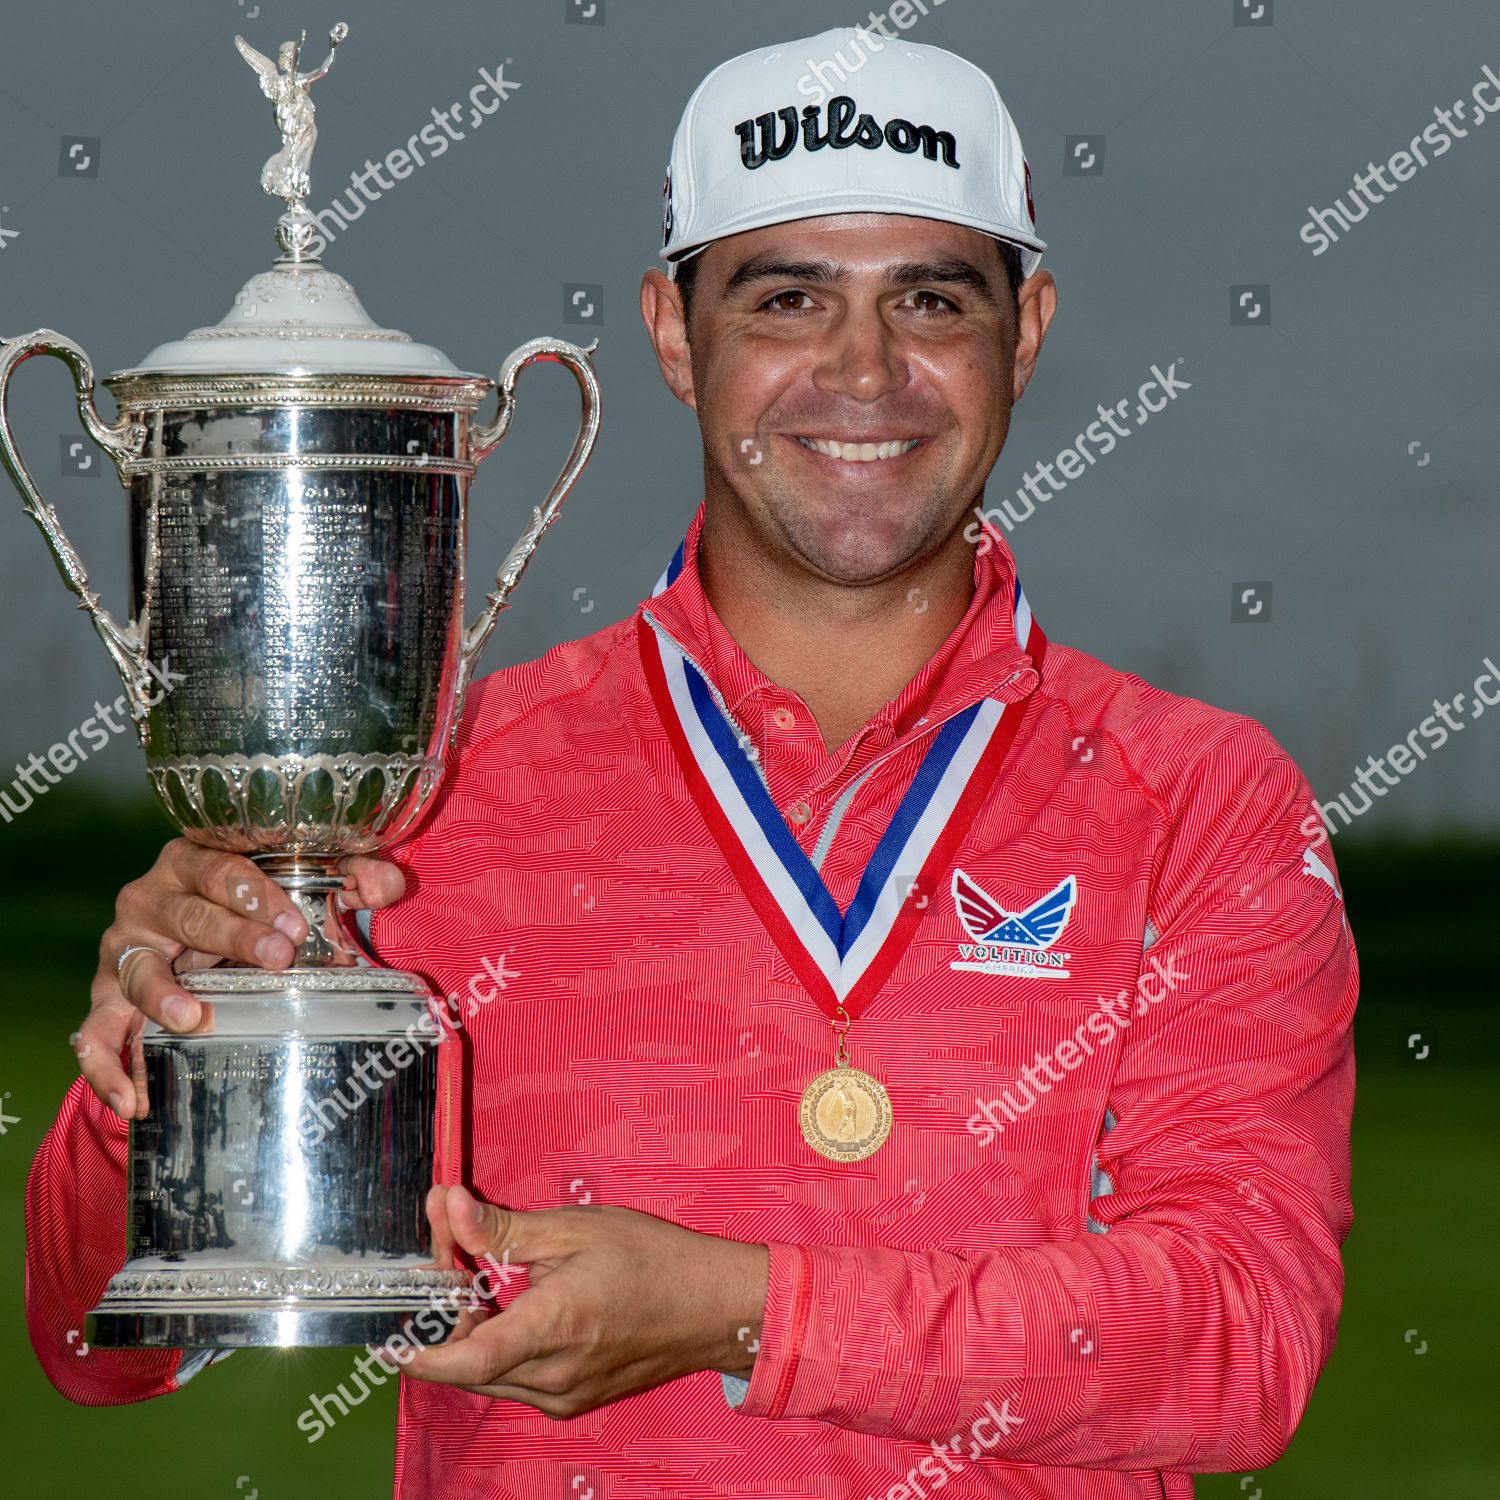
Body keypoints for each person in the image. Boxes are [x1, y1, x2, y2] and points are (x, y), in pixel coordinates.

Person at [26, 28, 1357, 1500]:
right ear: (672, 330)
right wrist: (154, 1070)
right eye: (787, 297)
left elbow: (1242, 1344)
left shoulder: (1202, 799)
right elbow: (99, 1345)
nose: (864, 371)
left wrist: (740, 1311)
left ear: (1027, 330)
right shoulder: (436, 788)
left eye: (931, 298)